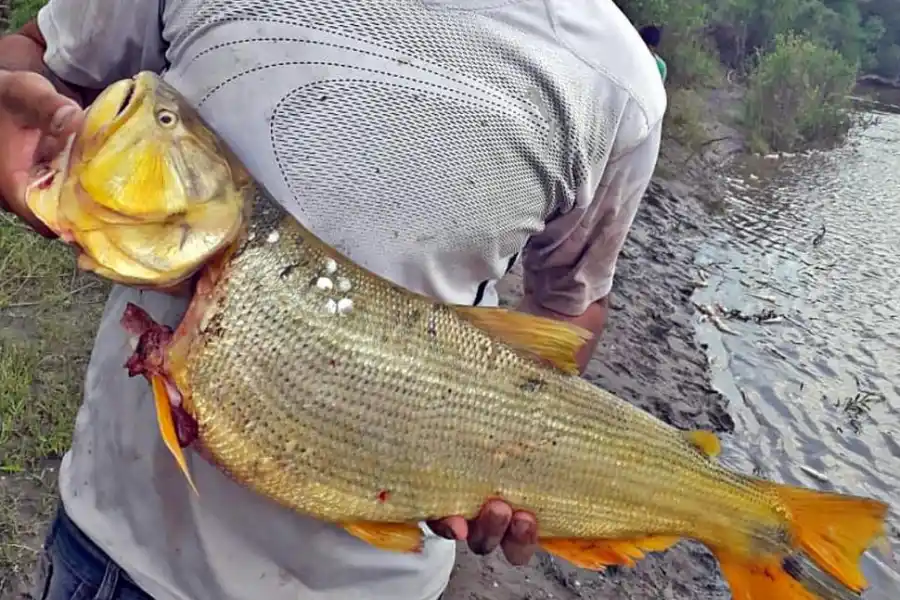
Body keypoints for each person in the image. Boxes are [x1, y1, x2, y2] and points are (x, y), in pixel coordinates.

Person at [0, 1, 666, 599]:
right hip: (120, 547)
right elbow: (39, 57)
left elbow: (570, 307)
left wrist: (505, 447)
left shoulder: (618, 84)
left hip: (377, 582)